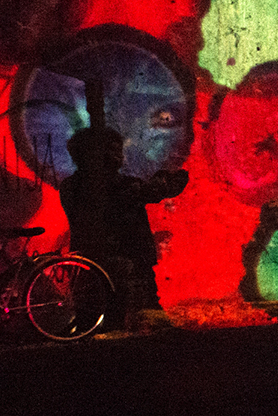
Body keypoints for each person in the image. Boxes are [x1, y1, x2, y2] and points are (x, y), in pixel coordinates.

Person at [58, 123, 189, 332]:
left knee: (94, 317)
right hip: (128, 259)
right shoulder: (120, 186)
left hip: (88, 260)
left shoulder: (70, 186)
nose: (119, 156)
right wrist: (173, 175)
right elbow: (158, 189)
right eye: (112, 150)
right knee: (136, 311)